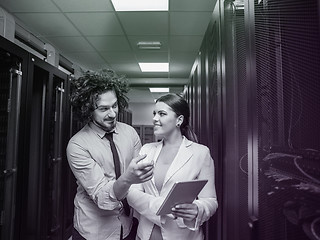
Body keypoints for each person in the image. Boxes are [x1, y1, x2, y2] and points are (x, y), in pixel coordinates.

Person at [66, 69, 153, 240]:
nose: (112, 114)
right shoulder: (77, 145)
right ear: (88, 109)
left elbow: (140, 179)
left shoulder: (129, 133)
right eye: (104, 109)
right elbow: (101, 196)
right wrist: (128, 178)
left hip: (127, 225)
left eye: (114, 105)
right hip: (94, 231)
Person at [127, 93, 218, 240]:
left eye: (162, 114)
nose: (155, 118)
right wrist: (163, 206)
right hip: (145, 235)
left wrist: (197, 209)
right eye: (154, 113)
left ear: (179, 120)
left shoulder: (200, 153)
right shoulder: (146, 150)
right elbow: (132, 194)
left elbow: (210, 200)